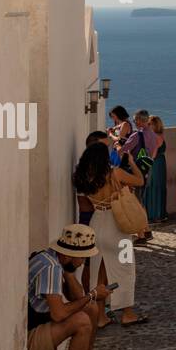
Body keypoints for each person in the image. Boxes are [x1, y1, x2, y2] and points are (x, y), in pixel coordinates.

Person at [28, 224, 117, 350]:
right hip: (28, 337)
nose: (83, 262)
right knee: (82, 322)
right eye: (83, 258)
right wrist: (92, 294)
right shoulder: (50, 268)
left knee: (91, 309)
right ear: (68, 255)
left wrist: (70, 273)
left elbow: (78, 299)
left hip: (38, 324)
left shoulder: (55, 261)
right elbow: (58, 313)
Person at [73, 141, 149, 328]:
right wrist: (131, 162)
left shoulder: (82, 177)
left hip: (96, 225)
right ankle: (127, 314)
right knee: (125, 269)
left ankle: (99, 318)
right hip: (118, 228)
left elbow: (85, 205)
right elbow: (140, 181)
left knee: (98, 275)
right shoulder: (115, 173)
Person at [122, 109, 158, 244]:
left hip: (134, 172)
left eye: (135, 120)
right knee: (140, 201)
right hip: (146, 170)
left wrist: (118, 144)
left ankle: (141, 235)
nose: (134, 122)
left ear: (139, 120)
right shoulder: (153, 135)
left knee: (135, 203)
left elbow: (124, 150)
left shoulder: (137, 135)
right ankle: (146, 229)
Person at [143, 116, 168, 223]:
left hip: (155, 163)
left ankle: (153, 215)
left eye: (149, 124)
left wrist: (147, 165)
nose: (147, 126)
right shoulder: (160, 135)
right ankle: (159, 213)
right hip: (160, 162)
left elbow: (153, 153)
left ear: (154, 125)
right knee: (158, 186)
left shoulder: (156, 136)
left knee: (152, 186)